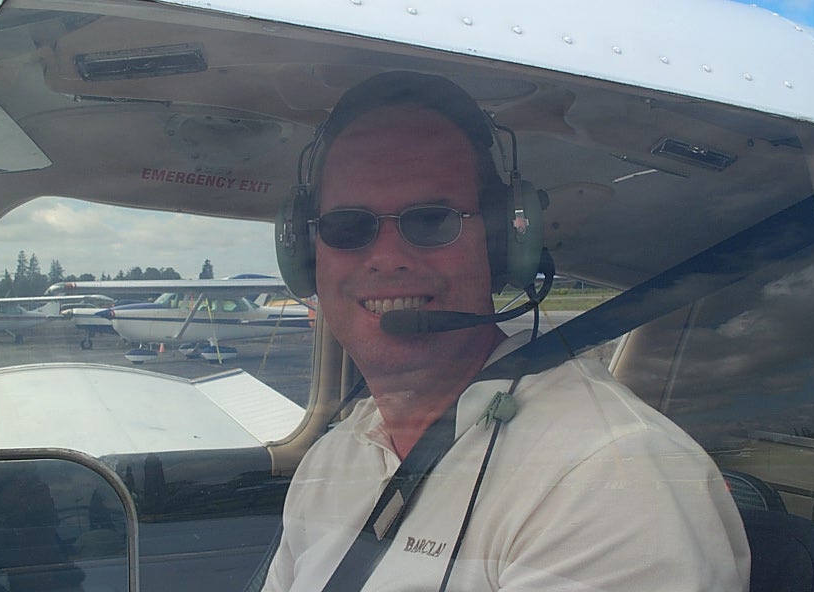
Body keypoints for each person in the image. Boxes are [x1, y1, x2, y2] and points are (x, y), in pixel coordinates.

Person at [264, 71, 750, 591]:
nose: (385, 258)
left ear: (502, 246)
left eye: (432, 220)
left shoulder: (609, 476)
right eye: (348, 226)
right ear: (307, 255)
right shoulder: (339, 454)